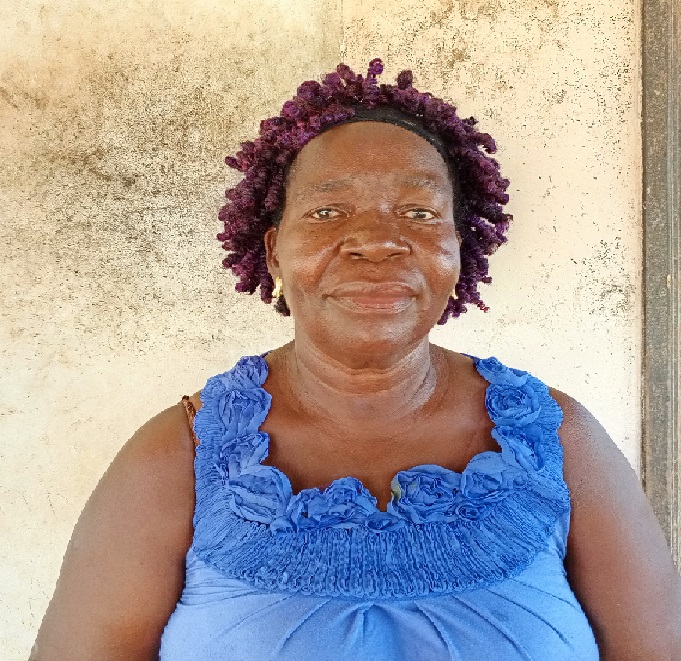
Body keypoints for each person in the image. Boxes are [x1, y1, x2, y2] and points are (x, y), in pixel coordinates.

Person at [30, 59, 681, 661]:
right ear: (275, 250)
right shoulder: (178, 456)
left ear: (459, 247)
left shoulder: (557, 441)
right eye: (327, 211)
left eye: (418, 211)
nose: (375, 241)